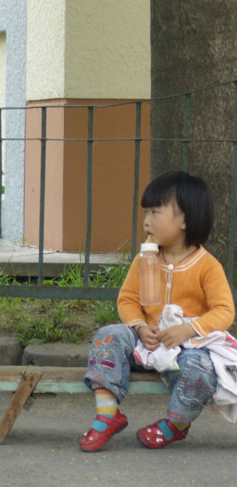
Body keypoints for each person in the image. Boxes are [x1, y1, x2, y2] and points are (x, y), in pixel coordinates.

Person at [79, 171, 235, 452]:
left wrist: (188, 329)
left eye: (155, 212)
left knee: (200, 370)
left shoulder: (207, 266)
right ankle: (108, 412)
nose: (146, 221)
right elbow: (128, 299)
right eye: (145, 212)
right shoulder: (145, 259)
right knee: (108, 335)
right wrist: (139, 327)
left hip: (187, 348)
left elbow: (224, 311)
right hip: (146, 342)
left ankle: (176, 424)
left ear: (185, 220)